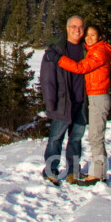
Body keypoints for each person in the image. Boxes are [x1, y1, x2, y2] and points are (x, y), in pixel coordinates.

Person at [59, 24, 111, 184]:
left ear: (100, 37)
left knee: (96, 137)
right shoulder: (95, 50)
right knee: (95, 136)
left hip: (99, 97)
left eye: (93, 35)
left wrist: (61, 59)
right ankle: (99, 171)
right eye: (87, 35)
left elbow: (81, 67)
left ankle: (98, 174)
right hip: (94, 96)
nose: (89, 38)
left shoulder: (99, 52)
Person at [39, 15, 88, 184]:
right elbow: (47, 79)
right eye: (74, 26)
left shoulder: (86, 50)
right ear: (67, 28)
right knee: (55, 138)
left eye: (80, 27)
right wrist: (50, 102)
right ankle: (50, 171)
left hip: (81, 102)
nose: (77, 30)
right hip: (62, 102)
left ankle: (73, 172)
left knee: (76, 138)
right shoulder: (56, 51)